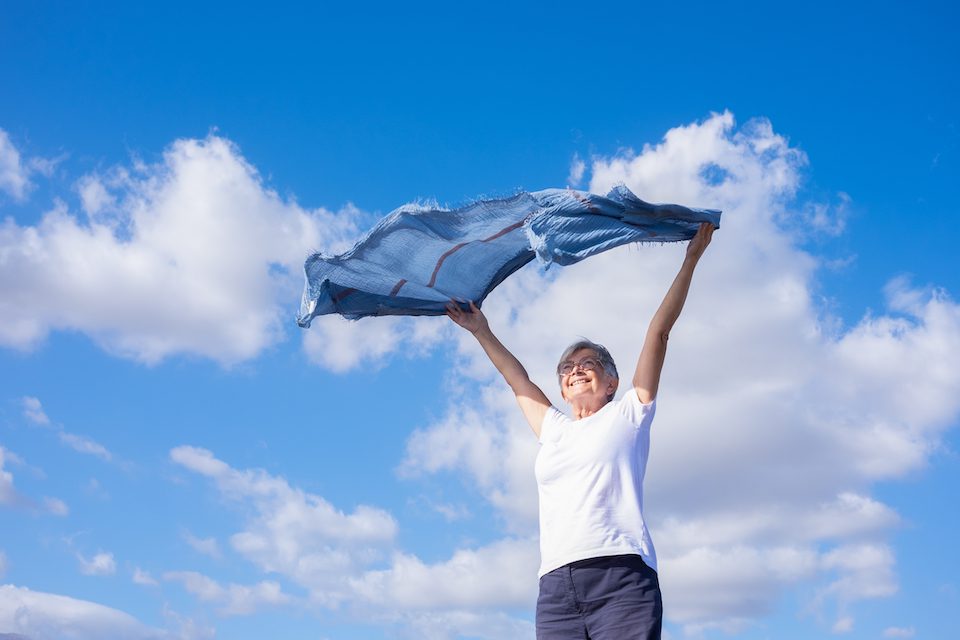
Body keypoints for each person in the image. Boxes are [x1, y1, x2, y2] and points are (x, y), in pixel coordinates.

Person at [445, 222, 715, 639]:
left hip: (621, 577)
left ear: (611, 381)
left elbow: (658, 332)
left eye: (587, 364)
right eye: (567, 368)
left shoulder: (630, 412)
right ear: (561, 388)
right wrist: (481, 330)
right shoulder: (553, 429)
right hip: (556, 588)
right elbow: (516, 378)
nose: (575, 371)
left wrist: (691, 259)